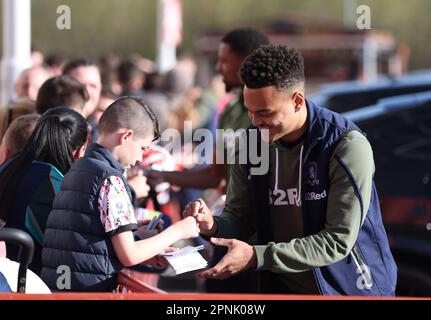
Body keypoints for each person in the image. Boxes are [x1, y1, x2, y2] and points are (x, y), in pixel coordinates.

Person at [184, 44, 397, 296]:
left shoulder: (344, 144)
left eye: (265, 112)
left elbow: (337, 241)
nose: (255, 122)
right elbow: (240, 217)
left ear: (297, 100)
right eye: (250, 112)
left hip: (349, 290)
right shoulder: (251, 142)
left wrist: (256, 256)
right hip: (283, 290)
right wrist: (213, 226)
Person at [40, 97, 200, 292]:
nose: (140, 158)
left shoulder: (79, 166)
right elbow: (129, 255)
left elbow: (87, 236)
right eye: (142, 148)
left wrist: (135, 234)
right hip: (89, 291)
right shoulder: (110, 180)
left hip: (61, 286)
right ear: (126, 136)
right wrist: (178, 231)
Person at [0, 108, 89, 275]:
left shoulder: (9, 166)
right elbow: (69, 247)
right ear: (80, 151)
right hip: (24, 282)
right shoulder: (53, 183)